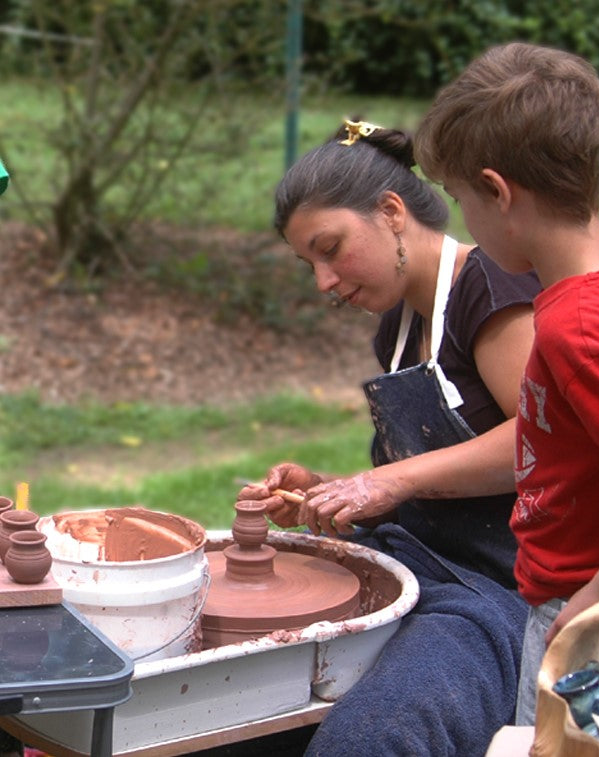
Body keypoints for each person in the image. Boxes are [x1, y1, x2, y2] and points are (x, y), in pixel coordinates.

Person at [238, 118, 541, 756]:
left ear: (392, 212)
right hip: (415, 565)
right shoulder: (399, 326)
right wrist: (330, 496)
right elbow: (432, 480)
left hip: (498, 592)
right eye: (308, 263)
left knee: (371, 740)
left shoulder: (490, 288)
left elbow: (541, 442)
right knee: (237, 690)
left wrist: (382, 481)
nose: (322, 281)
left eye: (330, 248)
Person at [414, 41, 599, 726]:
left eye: (459, 199)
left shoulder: (578, 328)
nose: (463, 222)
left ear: (498, 192)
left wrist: (588, 614)